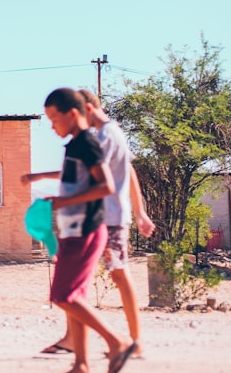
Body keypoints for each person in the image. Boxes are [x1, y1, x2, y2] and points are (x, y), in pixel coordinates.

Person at [21, 88, 136, 373]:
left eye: (54, 119)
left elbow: (105, 186)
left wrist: (58, 203)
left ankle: (116, 341)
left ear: (73, 114)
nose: (51, 126)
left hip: (86, 230)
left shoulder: (87, 143)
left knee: (63, 295)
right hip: (74, 230)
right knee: (75, 299)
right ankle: (81, 368)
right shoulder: (75, 145)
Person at [34, 89, 156, 359]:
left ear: (84, 109)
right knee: (79, 280)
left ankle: (133, 341)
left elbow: (105, 174)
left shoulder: (104, 135)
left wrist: (140, 212)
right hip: (100, 215)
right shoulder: (109, 134)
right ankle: (73, 340)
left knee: (119, 274)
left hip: (107, 216)